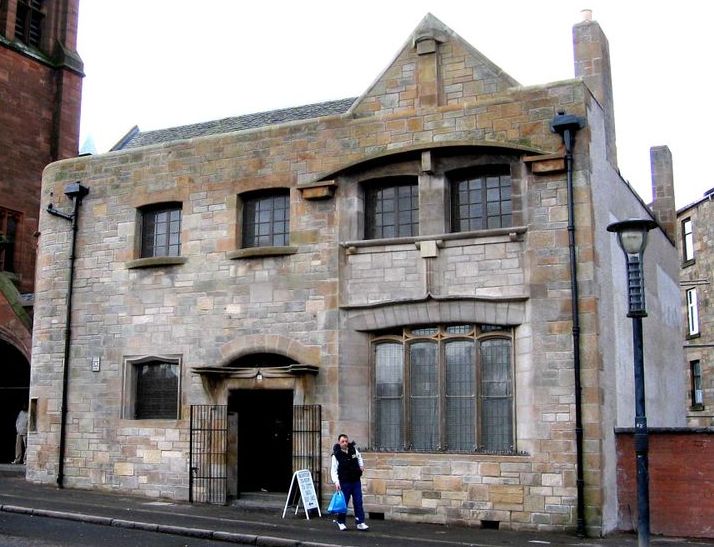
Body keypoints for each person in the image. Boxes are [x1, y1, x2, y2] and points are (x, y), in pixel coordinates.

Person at [330, 433, 368, 531]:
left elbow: (359, 457)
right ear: (339, 442)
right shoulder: (336, 455)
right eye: (342, 441)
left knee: (358, 501)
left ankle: (360, 522)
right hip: (344, 482)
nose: (345, 443)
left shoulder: (353, 450)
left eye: (346, 441)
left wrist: (361, 466)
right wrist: (336, 482)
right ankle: (341, 522)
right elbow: (333, 470)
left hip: (355, 480)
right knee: (344, 503)